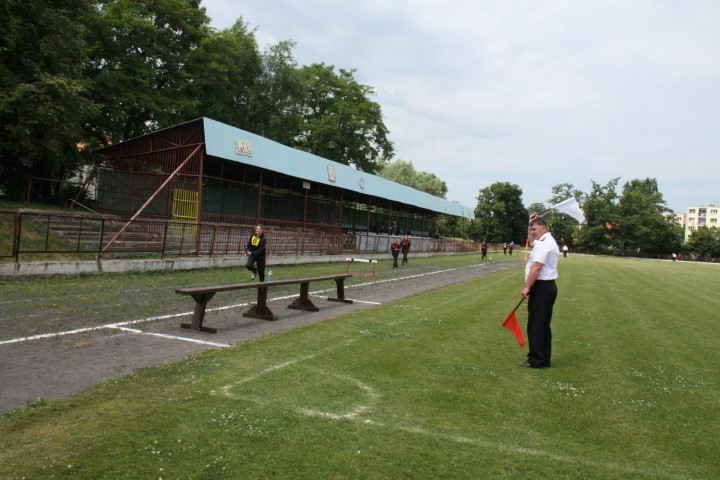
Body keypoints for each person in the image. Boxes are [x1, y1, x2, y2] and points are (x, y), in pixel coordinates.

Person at [519, 213, 559, 368]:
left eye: (534, 229)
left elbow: (537, 266)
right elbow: (530, 240)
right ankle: (544, 358)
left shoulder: (543, 243)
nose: (532, 231)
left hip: (542, 287)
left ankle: (536, 359)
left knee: (536, 325)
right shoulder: (547, 240)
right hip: (548, 287)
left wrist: (527, 287)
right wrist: (530, 223)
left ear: (544, 228)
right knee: (543, 325)